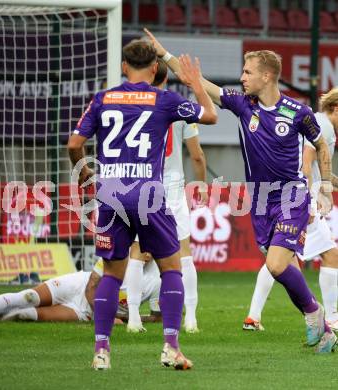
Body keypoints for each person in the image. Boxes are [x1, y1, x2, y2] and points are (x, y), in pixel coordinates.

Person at [144, 28, 336, 353]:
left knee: (276, 265)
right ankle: (318, 319)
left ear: (267, 75)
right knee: (282, 267)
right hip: (260, 202)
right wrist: (165, 56)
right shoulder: (242, 104)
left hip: (291, 197)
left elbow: (320, 143)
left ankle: (317, 318)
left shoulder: (298, 112)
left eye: (248, 72)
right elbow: (200, 83)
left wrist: (325, 187)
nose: (242, 77)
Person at [67, 39, 217, 370]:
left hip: (110, 193)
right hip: (149, 193)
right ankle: (170, 347)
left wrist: (86, 177)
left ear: (124, 67)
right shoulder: (164, 100)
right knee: (172, 267)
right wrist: (194, 84)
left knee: (112, 274)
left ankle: (101, 352)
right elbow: (211, 116)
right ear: (154, 68)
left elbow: (75, 143)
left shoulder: (103, 99)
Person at [243, 87, 338, 332]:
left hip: (291, 195)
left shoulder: (319, 122)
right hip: (299, 198)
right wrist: (309, 199)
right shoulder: (324, 127)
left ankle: (253, 316)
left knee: (280, 258)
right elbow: (306, 164)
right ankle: (329, 318)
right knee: (329, 255)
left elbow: (314, 168)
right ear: (336, 108)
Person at [125, 59, 207, 334]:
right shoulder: (178, 106)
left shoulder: (131, 105)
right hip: (172, 187)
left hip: (142, 185)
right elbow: (196, 154)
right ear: (166, 78)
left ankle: (134, 318)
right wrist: (202, 183)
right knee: (184, 253)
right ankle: (191, 318)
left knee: (137, 252)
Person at [0, 259, 161, 323]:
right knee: (28, 297)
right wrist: (108, 318)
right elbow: (91, 288)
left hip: (85, 312)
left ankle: (0, 318)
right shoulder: (118, 252)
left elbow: (156, 318)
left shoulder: (157, 280)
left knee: (26, 315)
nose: (146, 253)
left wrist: (129, 319)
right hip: (78, 286)